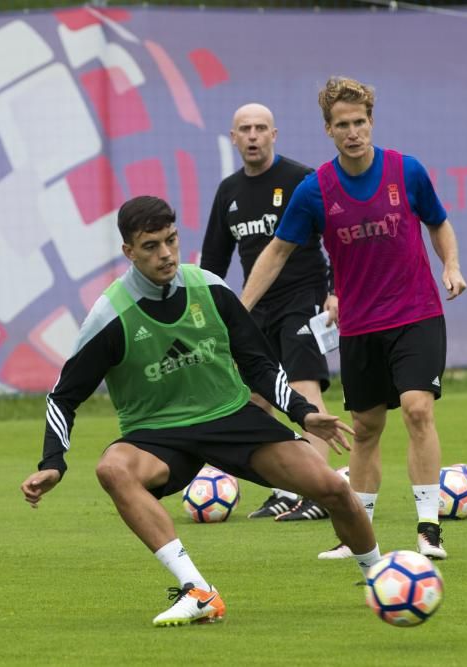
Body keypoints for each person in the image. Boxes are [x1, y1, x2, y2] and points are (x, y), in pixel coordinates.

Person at [20, 195, 382, 627]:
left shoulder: (208, 288)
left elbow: (258, 364)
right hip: (156, 433)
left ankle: (382, 581)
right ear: (129, 252)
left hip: (229, 417)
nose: (166, 253)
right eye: (151, 245)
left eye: (171, 240)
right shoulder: (110, 315)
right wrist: (53, 463)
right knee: (112, 469)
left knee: (333, 489)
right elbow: (63, 395)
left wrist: (302, 413)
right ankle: (198, 590)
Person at [240, 77, 467, 561]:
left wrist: (450, 264)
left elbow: (438, 221)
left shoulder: (407, 171)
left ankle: (429, 528)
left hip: (416, 313)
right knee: (364, 429)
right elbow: (277, 251)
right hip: (360, 326)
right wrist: (241, 309)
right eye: (342, 124)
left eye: (360, 122)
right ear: (328, 130)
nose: (353, 132)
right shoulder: (315, 190)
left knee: (417, 409)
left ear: (371, 122)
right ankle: (356, 535)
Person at [202, 103, 336, 523]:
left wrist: (337, 291)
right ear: (234, 138)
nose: (254, 135)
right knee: (256, 398)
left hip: (304, 297)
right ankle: (283, 489)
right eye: (246, 129)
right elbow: (213, 263)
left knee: (301, 386)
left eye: (261, 128)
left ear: (275, 134)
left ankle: (321, 492)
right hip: (254, 308)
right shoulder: (228, 192)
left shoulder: (301, 179)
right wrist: (203, 314)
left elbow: (339, 236)